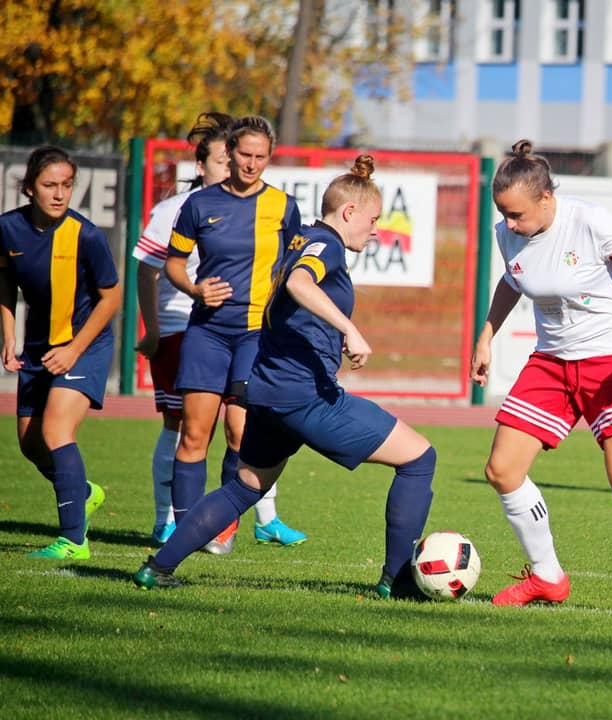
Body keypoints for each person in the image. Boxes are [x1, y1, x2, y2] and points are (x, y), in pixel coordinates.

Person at [134, 155, 436, 596]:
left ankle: (157, 567)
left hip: (267, 391)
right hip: (303, 396)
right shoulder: (326, 245)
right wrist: (351, 330)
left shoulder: (302, 238)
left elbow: (291, 297)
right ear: (349, 212)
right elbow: (298, 284)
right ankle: (397, 581)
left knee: (244, 488)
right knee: (420, 459)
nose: (375, 230)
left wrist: (329, 336)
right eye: (373, 220)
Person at [470, 140, 612, 616]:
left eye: (517, 214)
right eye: (503, 214)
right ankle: (548, 577)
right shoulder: (507, 233)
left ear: (546, 198)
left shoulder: (590, 222)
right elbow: (512, 280)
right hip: (551, 363)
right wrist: (486, 337)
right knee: (502, 470)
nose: (509, 224)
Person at [164, 115, 306, 554]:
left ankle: (222, 526)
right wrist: (195, 289)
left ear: (270, 157)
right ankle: (185, 532)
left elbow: (297, 271)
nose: (251, 163)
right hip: (207, 333)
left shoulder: (283, 207)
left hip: (256, 336)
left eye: (261, 156)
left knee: (240, 434)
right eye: (245, 154)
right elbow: (173, 265)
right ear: (229, 152)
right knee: (193, 434)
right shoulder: (199, 205)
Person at [0, 146, 121, 558]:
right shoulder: (8, 229)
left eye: (67, 185)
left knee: (55, 431)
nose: (59, 194)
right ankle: (81, 492)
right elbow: (5, 281)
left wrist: (73, 349)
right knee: (31, 444)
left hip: (85, 344)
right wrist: (9, 335)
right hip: (38, 347)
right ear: (29, 188)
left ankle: (73, 541)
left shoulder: (87, 235)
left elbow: (111, 298)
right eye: (50, 185)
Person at [133, 112, 233, 544]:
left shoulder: (248, 208)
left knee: (241, 424)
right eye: (222, 161)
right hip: (182, 326)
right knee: (181, 426)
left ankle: (256, 519)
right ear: (201, 165)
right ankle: (167, 520)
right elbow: (147, 269)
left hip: (233, 330)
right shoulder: (175, 209)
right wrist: (154, 330)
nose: (230, 169)